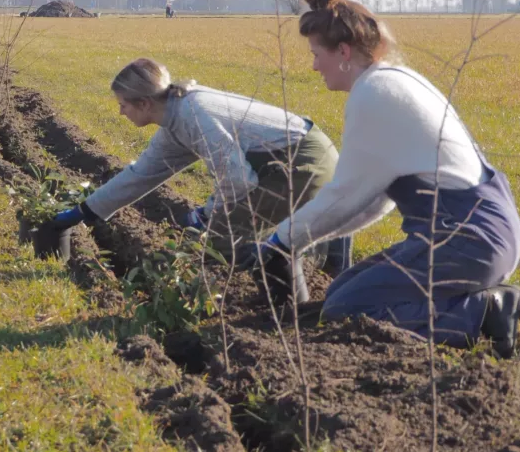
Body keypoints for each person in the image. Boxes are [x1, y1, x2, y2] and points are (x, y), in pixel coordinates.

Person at [243, 0, 520, 357]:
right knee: (341, 292)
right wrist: (296, 241)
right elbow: (374, 201)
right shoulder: (394, 79)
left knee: (347, 310)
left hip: (465, 240)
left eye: (316, 54)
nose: (313, 66)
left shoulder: (373, 95)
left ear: (343, 52)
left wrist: (281, 240)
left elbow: (344, 194)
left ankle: (484, 312)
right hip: (488, 230)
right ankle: (475, 300)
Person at [51, 58, 351, 287]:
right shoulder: (175, 117)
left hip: (301, 163)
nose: (120, 113)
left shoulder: (194, 115)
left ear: (143, 103)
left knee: (224, 240)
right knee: (229, 235)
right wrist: (85, 211)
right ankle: (305, 277)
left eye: (123, 105)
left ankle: (288, 305)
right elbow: (142, 174)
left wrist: (206, 215)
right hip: (293, 158)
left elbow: (237, 179)